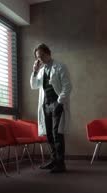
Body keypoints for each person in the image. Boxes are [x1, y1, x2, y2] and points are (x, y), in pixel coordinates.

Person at [30, 43, 72, 173]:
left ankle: (61, 163)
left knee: (56, 134)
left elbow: (67, 86)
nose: (40, 59)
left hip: (56, 103)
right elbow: (34, 85)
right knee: (48, 134)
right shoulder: (41, 70)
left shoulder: (60, 67)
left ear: (48, 53)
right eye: (38, 57)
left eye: (42, 55)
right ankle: (54, 160)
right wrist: (35, 71)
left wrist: (60, 102)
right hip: (45, 105)